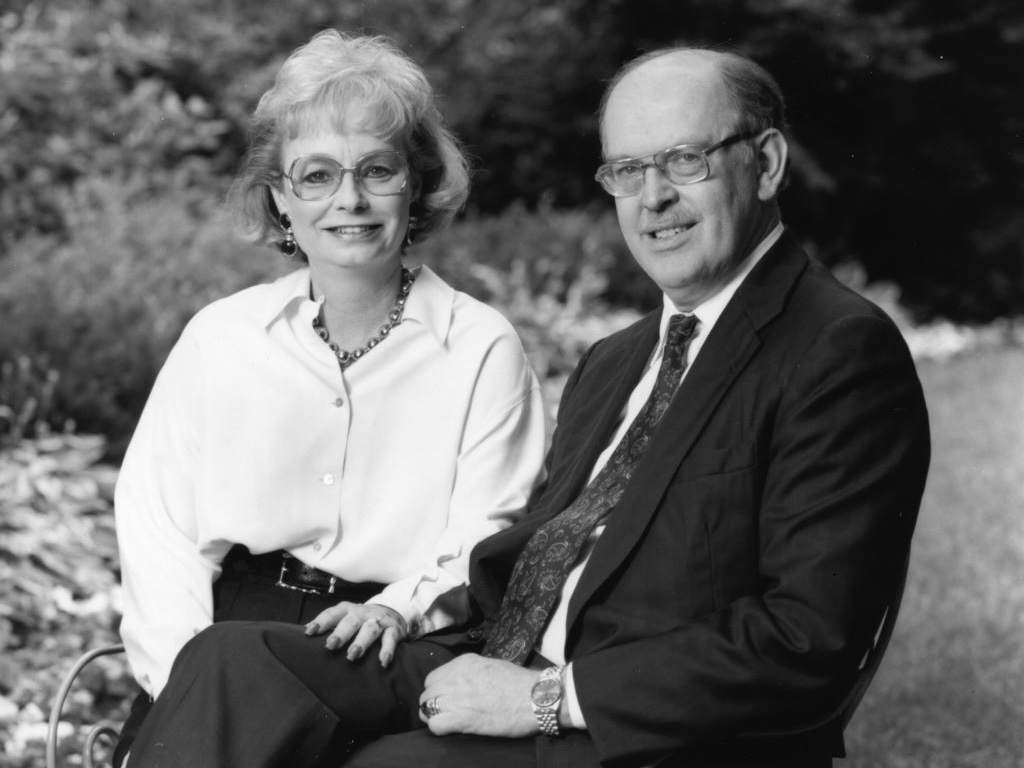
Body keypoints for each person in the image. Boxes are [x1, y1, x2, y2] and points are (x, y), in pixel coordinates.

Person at [122, 44, 930, 768]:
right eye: (627, 170)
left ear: (767, 163)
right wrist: (443, 641)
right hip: (490, 654)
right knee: (234, 661)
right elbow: (524, 545)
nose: (652, 197)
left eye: (685, 160)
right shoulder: (618, 361)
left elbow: (809, 639)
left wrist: (542, 698)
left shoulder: (834, 349)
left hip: (628, 720)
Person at [111, 29, 547, 767]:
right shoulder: (221, 337)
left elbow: (488, 537)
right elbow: (158, 530)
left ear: (416, 184)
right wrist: (191, 683)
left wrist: (397, 609)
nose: (350, 199)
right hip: (222, 630)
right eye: (316, 175)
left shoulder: (481, 347)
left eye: (376, 170)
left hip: (387, 643)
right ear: (281, 197)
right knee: (223, 676)